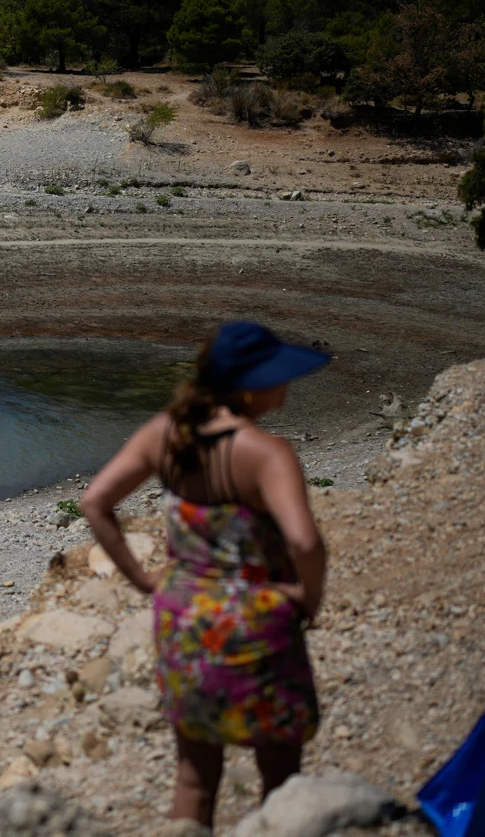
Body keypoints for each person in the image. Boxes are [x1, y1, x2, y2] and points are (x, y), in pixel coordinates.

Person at [80, 320, 330, 827]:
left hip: (184, 619)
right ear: (247, 385)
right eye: (277, 376)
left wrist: (145, 579)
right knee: (280, 779)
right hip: (257, 622)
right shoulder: (266, 453)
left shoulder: (163, 434)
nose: (286, 385)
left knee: (194, 778)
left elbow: (95, 502)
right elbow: (304, 541)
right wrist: (308, 597)